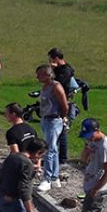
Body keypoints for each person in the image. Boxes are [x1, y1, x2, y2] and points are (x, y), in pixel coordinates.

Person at [35, 64, 68, 192]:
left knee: (48, 149)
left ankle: (47, 179)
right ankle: (54, 177)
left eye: (39, 74)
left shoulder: (56, 87)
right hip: (46, 119)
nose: (37, 77)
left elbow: (64, 104)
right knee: (53, 149)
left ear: (47, 75)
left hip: (54, 120)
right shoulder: (45, 87)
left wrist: (62, 117)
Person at [48, 48, 77, 164]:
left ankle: (62, 157)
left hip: (62, 101)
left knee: (61, 129)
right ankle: (55, 153)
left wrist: (53, 69)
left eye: (51, 59)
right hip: (57, 100)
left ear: (56, 58)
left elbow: (57, 82)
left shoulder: (65, 70)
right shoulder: (61, 69)